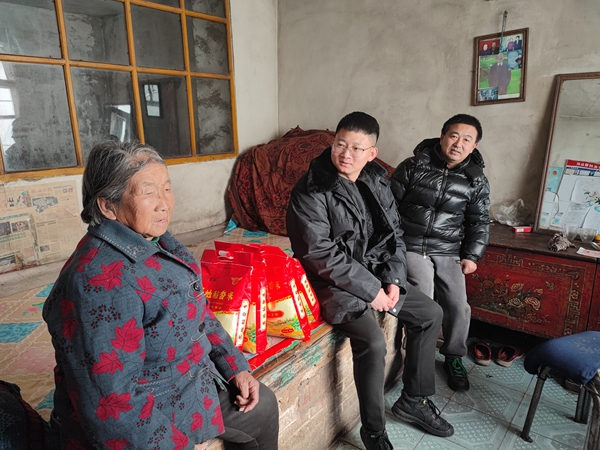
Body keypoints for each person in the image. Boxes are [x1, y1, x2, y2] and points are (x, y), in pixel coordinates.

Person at [42, 141, 279, 450]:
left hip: (188, 381)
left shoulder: (154, 240)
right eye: (148, 192)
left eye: (167, 189)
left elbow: (196, 310)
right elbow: (112, 404)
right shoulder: (97, 282)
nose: (164, 203)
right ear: (108, 206)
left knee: (263, 406)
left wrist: (234, 366)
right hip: (158, 405)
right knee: (260, 412)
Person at [286, 112, 453, 450]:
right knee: (373, 343)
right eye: (340, 144)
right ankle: (374, 431)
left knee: (430, 314)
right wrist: (371, 289)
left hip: (376, 271)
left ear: (372, 153)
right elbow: (318, 253)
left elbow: (394, 234)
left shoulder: (377, 180)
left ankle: (414, 400)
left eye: (356, 148)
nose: (345, 154)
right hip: (330, 281)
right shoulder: (312, 188)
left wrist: (392, 280)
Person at [390, 114, 490, 392]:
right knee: (424, 295)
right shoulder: (413, 166)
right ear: (443, 136)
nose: (458, 143)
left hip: (448, 250)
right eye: (454, 136)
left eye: (467, 139)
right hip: (411, 244)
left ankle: (454, 356)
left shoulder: (476, 180)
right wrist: (393, 244)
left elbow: (479, 221)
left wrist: (472, 255)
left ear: (474, 146)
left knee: (458, 304)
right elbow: (388, 206)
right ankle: (416, 352)